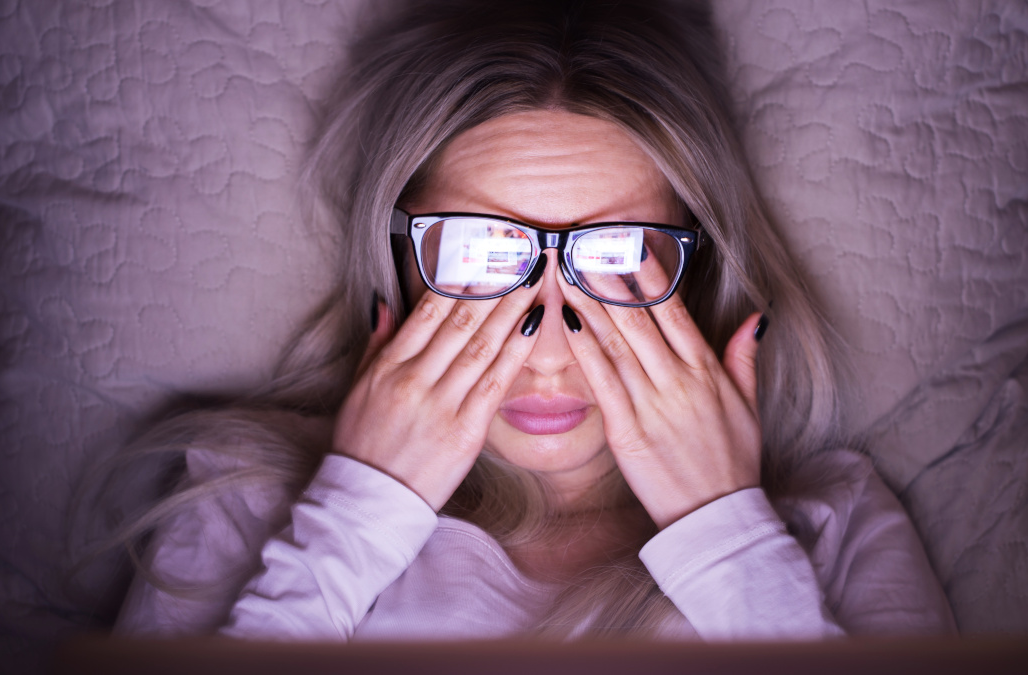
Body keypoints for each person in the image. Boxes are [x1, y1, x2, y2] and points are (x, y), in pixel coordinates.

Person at [110, 0, 955, 640]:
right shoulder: (249, 500)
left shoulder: (832, 527)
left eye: (617, 258)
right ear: (396, 262)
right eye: (482, 255)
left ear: (699, 270)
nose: (548, 351)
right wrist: (351, 523)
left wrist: (732, 545)